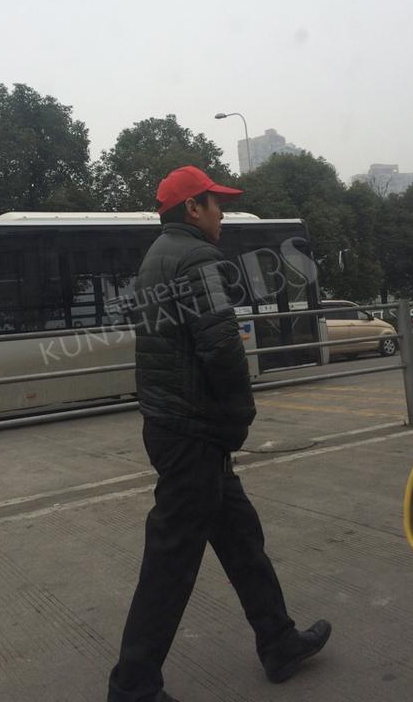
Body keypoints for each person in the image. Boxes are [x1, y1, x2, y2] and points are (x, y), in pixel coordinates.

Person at [107, 166, 331, 702]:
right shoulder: (196, 258)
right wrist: (239, 415)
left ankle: (278, 640)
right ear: (192, 207)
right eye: (215, 203)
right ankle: (133, 685)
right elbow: (221, 347)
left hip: (175, 425)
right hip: (193, 431)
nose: (221, 214)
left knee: (240, 537)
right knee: (171, 559)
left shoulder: (155, 258)